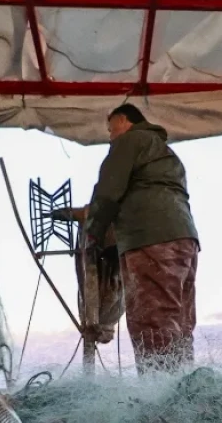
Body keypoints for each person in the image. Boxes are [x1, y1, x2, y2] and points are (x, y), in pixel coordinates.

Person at [58, 104, 200, 372]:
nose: (111, 136)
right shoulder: (165, 153)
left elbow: (108, 192)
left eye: (111, 129)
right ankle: (184, 383)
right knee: (180, 320)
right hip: (184, 239)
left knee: (151, 317)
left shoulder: (130, 141)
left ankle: (158, 389)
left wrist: (93, 232)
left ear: (123, 120)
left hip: (150, 239)